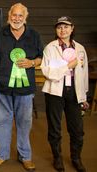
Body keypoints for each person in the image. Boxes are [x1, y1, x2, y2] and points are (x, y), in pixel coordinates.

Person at [0, 3, 43, 171]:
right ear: (9, 16)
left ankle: (25, 156)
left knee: (24, 123)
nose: (17, 18)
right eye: (14, 15)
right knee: (1, 122)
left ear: (25, 17)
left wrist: (32, 62)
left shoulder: (34, 35)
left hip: (25, 90)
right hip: (1, 87)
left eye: (20, 16)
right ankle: (2, 154)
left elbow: (41, 57)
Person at [41, 16, 88, 172]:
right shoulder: (50, 48)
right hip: (55, 92)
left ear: (72, 28)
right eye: (59, 27)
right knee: (55, 128)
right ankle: (57, 158)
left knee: (77, 129)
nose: (63, 30)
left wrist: (84, 95)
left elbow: (84, 73)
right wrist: (69, 66)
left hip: (74, 92)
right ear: (56, 30)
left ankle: (76, 158)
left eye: (66, 27)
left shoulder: (80, 49)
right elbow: (48, 73)